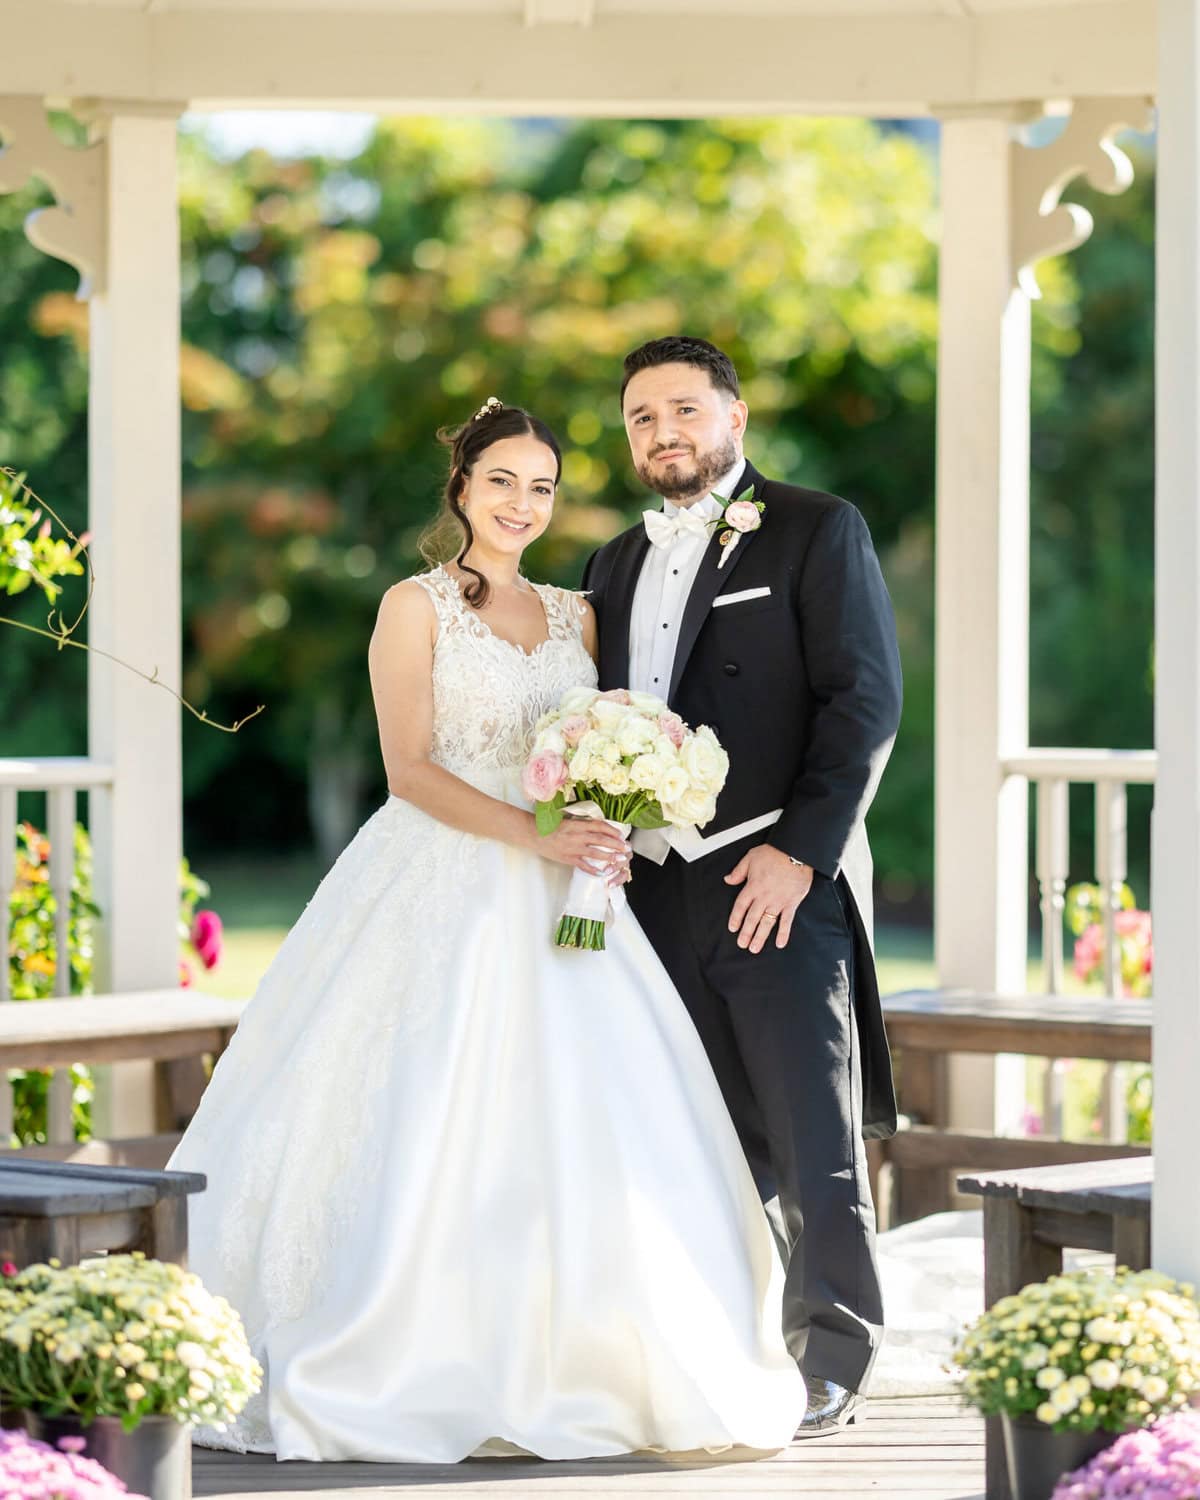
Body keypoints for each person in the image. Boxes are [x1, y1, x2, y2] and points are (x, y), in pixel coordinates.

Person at [168, 399, 805, 1463]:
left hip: (572, 898)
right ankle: (395, 1348)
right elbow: (410, 770)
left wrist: (623, 796)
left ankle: (601, 1354)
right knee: (419, 1098)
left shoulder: (576, 616)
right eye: (502, 480)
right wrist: (533, 835)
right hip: (442, 874)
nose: (522, 504)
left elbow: (608, 730)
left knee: (595, 1110)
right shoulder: (411, 607)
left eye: (542, 486)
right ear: (461, 487)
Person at [583, 336, 903, 1434]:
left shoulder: (819, 527)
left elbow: (864, 702)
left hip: (774, 874)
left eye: (682, 409)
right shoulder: (613, 560)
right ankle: (728, 1348)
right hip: (653, 895)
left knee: (813, 1134)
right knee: (699, 1134)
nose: (662, 432)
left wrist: (803, 853)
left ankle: (834, 1361)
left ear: (735, 415)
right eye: (640, 418)